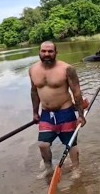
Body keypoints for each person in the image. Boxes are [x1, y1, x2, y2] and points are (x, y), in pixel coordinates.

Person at [29, 41, 88, 177]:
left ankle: (75, 168)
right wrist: (34, 112)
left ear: (56, 52)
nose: (47, 54)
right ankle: (48, 168)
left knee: (70, 144)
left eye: (50, 51)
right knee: (43, 144)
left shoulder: (67, 69)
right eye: (44, 51)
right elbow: (34, 91)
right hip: (46, 114)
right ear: (39, 52)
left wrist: (81, 115)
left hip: (65, 112)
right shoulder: (32, 70)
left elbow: (76, 92)